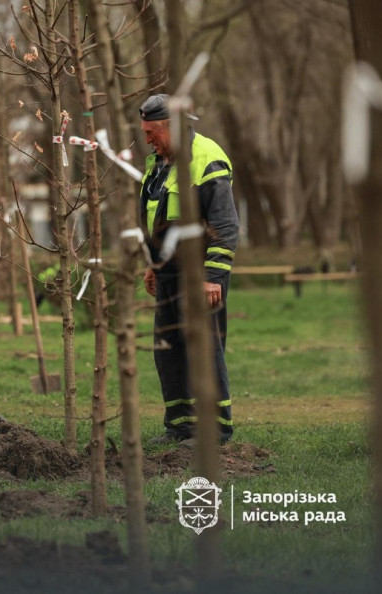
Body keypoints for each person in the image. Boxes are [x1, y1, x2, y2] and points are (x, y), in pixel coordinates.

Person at [138, 93, 238, 447]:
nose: (147, 139)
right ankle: (180, 427)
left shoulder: (208, 159)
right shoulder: (159, 162)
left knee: (203, 350)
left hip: (198, 277)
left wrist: (213, 277)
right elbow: (155, 215)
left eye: (152, 132)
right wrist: (152, 264)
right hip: (166, 275)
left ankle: (216, 431)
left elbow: (225, 226)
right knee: (169, 351)